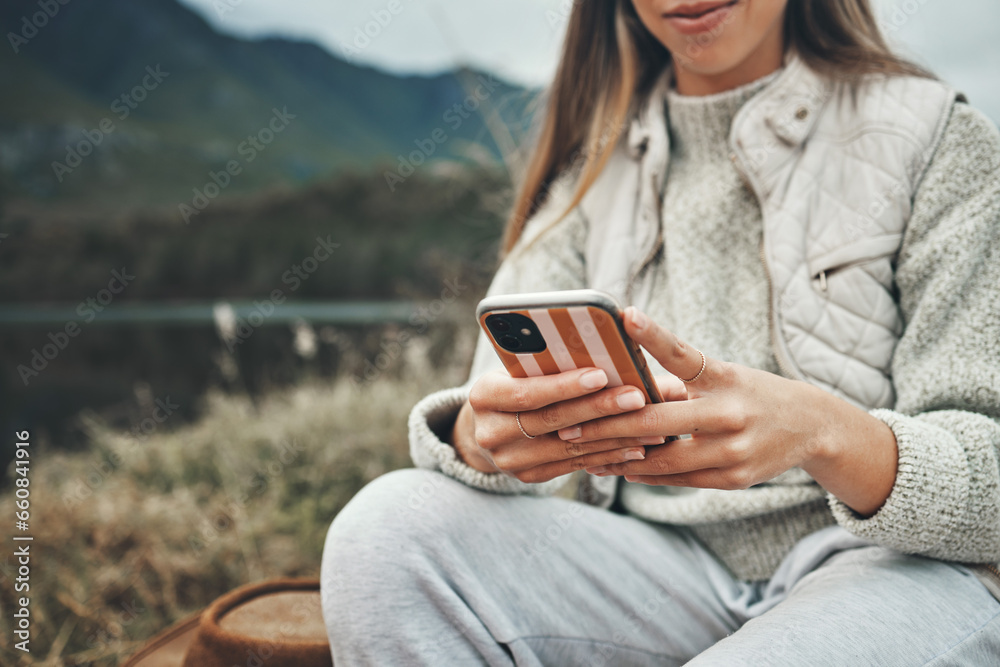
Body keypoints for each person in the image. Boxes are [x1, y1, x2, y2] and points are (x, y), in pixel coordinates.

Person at [321, 0, 1000, 664]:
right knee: (382, 533)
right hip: (657, 575)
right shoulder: (590, 171)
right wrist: (479, 438)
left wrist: (821, 430)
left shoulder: (937, 140)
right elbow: (487, 405)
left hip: (891, 574)